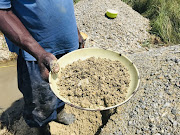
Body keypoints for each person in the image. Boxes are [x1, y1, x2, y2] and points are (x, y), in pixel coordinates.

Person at [0, 0, 84, 134]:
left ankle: (59, 111)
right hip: (36, 53)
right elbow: (2, 12)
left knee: (62, 87)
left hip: (68, 44)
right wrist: (39, 53)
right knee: (39, 100)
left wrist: (75, 31)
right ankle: (41, 127)